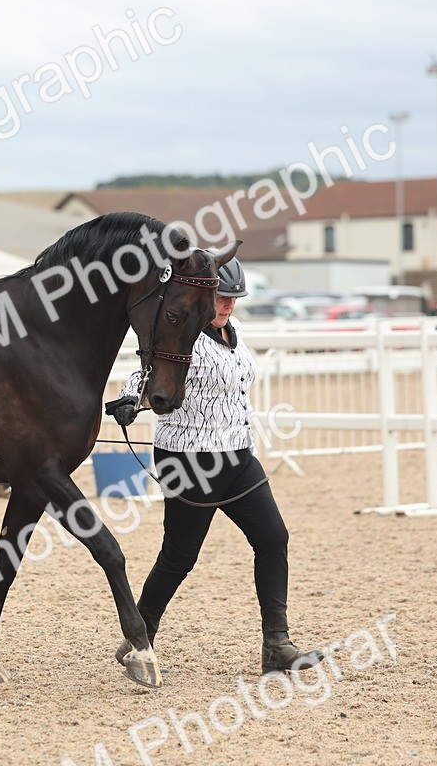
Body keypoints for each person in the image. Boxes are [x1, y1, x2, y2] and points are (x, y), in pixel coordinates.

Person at [106, 258, 323, 674]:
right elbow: (146, 372)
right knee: (180, 556)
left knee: (273, 537)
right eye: (222, 297)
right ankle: (139, 637)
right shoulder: (184, 334)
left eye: (233, 298)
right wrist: (131, 397)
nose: (227, 305)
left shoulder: (234, 336)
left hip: (238, 455)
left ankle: (277, 644)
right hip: (189, 459)